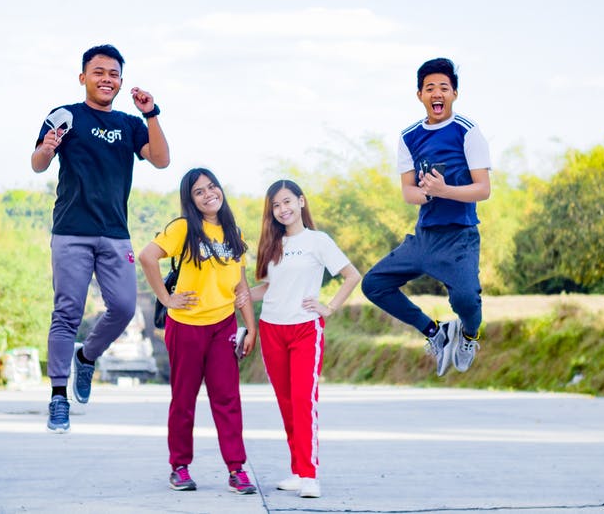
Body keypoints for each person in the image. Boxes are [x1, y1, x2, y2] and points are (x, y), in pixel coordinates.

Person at [31, 44, 170, 433]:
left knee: (125, 308)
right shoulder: (65, 116)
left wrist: (152, 113)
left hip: (114, 233)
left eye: (113, 73)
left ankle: (87, 358)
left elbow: (161, 160)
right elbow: (38, 163)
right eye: (98, 72)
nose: (106, 78)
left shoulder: (129, 124)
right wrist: (46, 148)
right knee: (66, 313)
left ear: (121, 81)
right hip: (71, 231)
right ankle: (59, 398)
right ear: (83, 78)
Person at [361, 57, 491, 377]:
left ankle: (468, 336)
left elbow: (483, 189)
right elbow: (409, 192)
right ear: (419, 95)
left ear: (454, 94)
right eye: (429, 88)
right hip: (424, 238)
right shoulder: (408, 137)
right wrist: (430, 193)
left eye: (444, 88)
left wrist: (445, 190)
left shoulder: (468, 133)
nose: (437, 93)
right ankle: (435, 332)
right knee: (373, 284)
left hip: (460, 236)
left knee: (466, 301)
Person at [137, 168, 258, 495]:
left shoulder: (234, 232)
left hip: (223, 326)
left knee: (228, 399)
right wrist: (165, 297)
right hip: (186, 327)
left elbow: (241, 285)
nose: (208, 195)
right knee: (184, 399)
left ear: (220, 189)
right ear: (190, 200)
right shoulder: (184, 228)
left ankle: (236, 469)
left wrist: (250, 325)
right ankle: (179, 466)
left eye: (211, 187)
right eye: (199, 192)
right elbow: (147, 257)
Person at [248, 180, 360, 499]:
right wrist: (235, 297)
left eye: (287, 202)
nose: (282, 210)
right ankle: (298, 470)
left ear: (301, 201)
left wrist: (329, 308)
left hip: (304, 330)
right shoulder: (272, 243)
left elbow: (352, 275)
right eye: (276, 205)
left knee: (303, 401)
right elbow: (267, 289)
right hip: (271, 328)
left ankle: (310, 475)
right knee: (286, 404)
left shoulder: (318, 241)